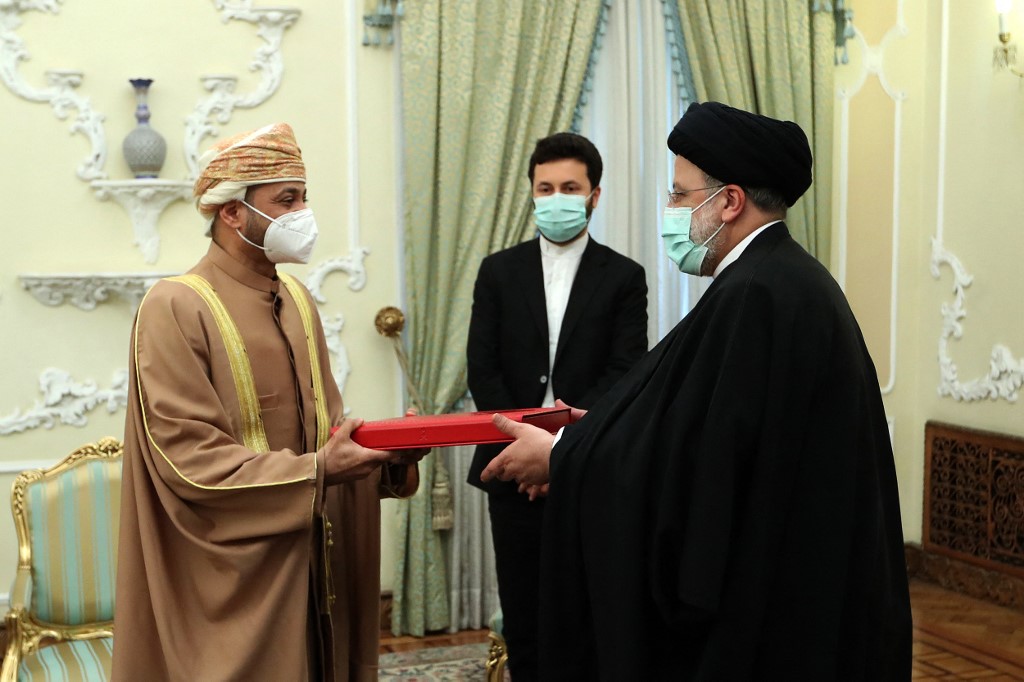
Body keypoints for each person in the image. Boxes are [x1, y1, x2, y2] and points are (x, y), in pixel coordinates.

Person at [481, 102, 913, 679]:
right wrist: (601, 431)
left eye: (680, 196)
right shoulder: (772, 279)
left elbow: (700, 466)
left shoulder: (758, 294)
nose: (671, 211)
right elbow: (689, 423)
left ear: (729, 202)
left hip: (777, 611)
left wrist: (564, 456)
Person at [114, 122, 424, 681]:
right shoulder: (174, 306)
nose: (303, 212)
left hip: (314, 562)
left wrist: (386, 457)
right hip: (233, 578)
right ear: (232, 212)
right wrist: (317, 471)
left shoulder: (297, 300)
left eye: (304, 197)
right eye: (287, 199)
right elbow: (189, 461)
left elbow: (328, 436)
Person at [466, 132, 648, 680]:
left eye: (570, 187)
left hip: (589, 467)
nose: (556, 197)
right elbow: (484, 370)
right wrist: (527, 447)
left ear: (594, 195)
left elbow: (623, 374)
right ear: (531, 192)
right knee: (524, 618)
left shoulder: (624, 276)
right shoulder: (498, 271)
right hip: (508, 466)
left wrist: (562, 451)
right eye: (545, 188)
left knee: (585, 616)